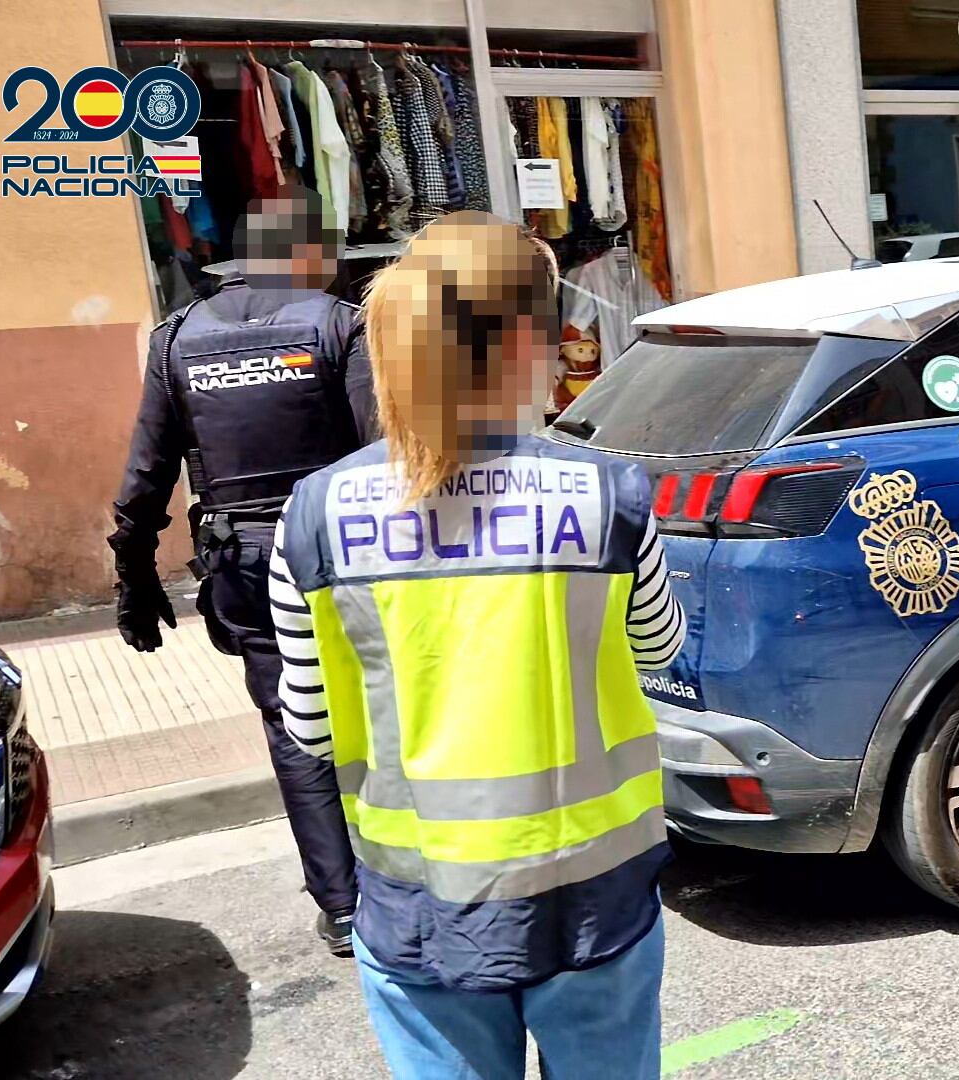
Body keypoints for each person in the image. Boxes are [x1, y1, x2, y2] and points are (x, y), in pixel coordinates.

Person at [268, 212, 685, 1079]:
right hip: (592, 904)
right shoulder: (610, 495)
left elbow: (309, 730)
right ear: (534, 342)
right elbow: (658, 647)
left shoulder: (313, 514)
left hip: (420, 918)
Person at [109, 190, 369, 956]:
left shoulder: (178, 338)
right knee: (377, 701)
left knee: (292, 723)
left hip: (246, 563)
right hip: (338, 547)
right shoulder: (337, 323)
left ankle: (344, 905)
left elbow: (146, 473)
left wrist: (133, 574)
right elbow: (375, 448)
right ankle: (398, 872)